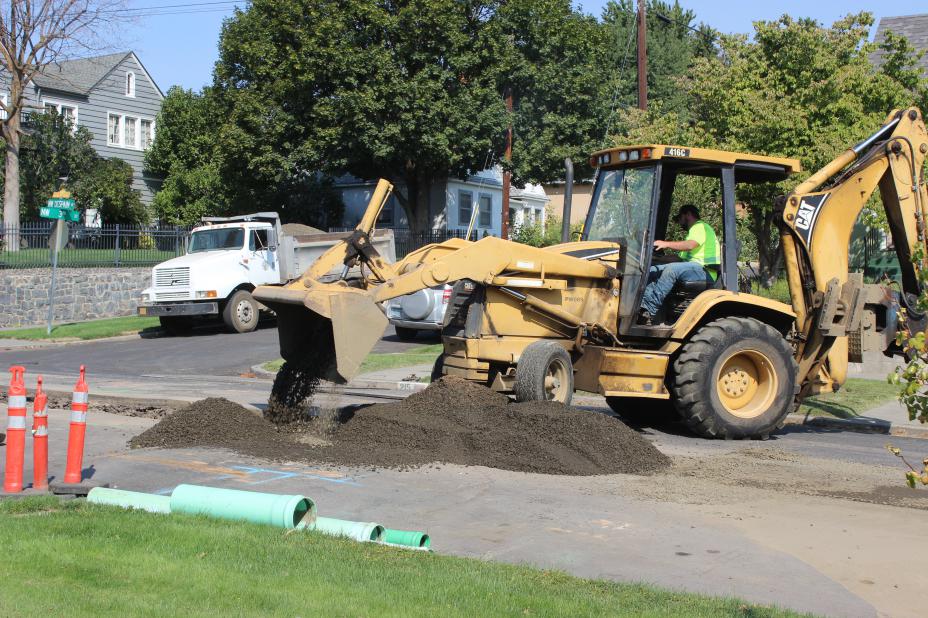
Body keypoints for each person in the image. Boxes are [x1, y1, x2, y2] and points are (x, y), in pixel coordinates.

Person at [639, 204, 720, 324]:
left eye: (680, 218)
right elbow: (679, 259)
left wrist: (666, 243)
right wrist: (656, 258)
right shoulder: (692, 233)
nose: (680, 223)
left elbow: (689, 245)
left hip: (705, 271)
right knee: (653, 269)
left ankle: (649, 310)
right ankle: (641, 306)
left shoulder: (700, 227)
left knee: (672, 269)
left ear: (687, 214)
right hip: (692, 268)